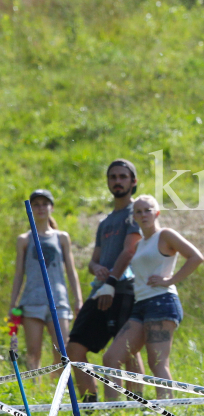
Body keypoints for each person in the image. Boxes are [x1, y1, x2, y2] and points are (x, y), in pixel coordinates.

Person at [103, 195, 204, 400]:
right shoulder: (140, 244)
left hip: (162, 302)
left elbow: (196, 257)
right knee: (111, 358)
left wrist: (170, 280)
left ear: (156, 213)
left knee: (157, 362)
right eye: (138, 212)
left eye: (147, 210)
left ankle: (168, 414)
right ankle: (112, 413)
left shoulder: (165, 235)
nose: (143, 214)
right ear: (134, 218)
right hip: (140, 306)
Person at [67, 159, 146, 401]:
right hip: (101, 290)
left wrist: (111, 282)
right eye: (113, 177)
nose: (117, 181)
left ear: (133, 182)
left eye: (123, 177)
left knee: (128, 350)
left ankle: (137, 406)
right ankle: (91, 405)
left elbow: (130, 250)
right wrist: (98, 268)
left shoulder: (137, 213)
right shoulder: (104, 222)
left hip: (126, 290)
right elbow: (93, 260)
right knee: (74, 347)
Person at [8, 190, 83, 370]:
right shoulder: (24, 239)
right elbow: (19, 273)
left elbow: (71, 270)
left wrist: (78, 300)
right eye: (36, 204)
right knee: (34, 352)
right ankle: (36, 394)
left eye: (44, 203)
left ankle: (55, 391)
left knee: (62, 351)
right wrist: (13, 304)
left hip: (59, 300)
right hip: (32, 301)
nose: (41, 208)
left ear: (52, 207)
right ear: (31, 208)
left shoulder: (62, 237)